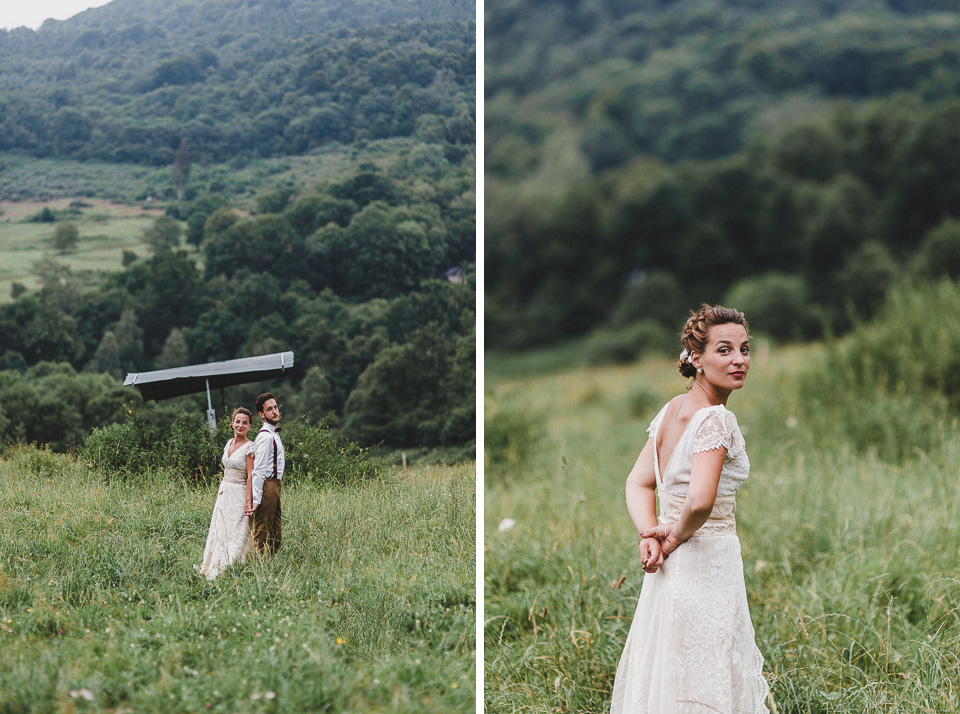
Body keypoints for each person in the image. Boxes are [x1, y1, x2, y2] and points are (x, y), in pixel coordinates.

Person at [609, 305, 773, 714]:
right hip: (704, 559)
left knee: (671, 670)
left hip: (667, 566)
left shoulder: (670, 411)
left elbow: (637, 482)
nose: (739, 360)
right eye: (724, 350)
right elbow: (700, 502)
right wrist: (672, 536)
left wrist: (651, 535)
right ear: (695, 358)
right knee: (707, 670)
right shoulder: (716, 419)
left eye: (745, 349)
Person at [199, 407, 255, 579]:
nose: (240, 425)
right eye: (238, 421)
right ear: (232, 424)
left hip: (239, 491)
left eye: (244, 423)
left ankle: (230, 566)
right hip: (224, 491)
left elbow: (251, 475)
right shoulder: (229, 443)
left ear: (249, 426)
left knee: (236, 529)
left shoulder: (250, 447)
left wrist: (248, 501)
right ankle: (213, 563)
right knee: (220, 527)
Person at [245, 392, 285, 554]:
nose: (275, 411)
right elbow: (259, 469)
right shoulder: (265, 437)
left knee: (276, 533)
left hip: (275, 484)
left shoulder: (273, 434)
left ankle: (269, 565)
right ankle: (257, 567)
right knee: (261, 529)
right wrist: (256, 498)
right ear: (262, 414)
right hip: (267, 485)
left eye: (275, 407)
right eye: (270, 409)